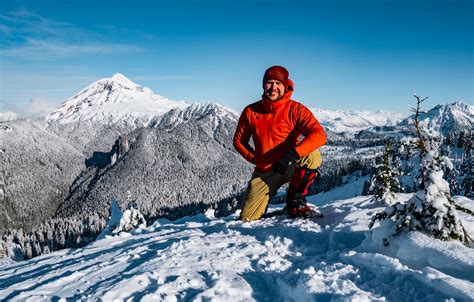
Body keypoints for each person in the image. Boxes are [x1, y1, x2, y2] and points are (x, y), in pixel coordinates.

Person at [233, 65, 327, 221]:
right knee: (247, 219)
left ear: (285, 86)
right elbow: (238, 141)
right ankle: (262, 209)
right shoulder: (251, 111)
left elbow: (319, 135)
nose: (273, 87)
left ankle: (295, 204)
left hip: (291, 165)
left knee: (312, 156)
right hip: (265, 172)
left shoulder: (296, 109)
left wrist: (291, 156)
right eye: (269, 82)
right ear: (263, 85)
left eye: (278, 83)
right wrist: (255, 159)